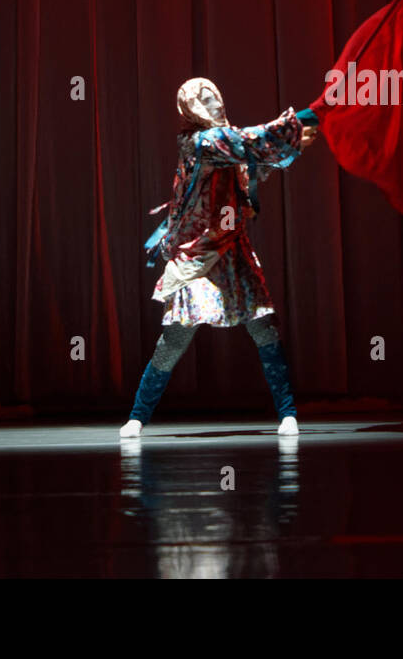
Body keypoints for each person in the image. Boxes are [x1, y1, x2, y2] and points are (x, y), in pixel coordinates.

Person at [120, 77, 320, 438]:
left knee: (263, 327)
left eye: (215, 96)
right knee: (175, 339)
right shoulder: (198, 142)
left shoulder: (225, 144)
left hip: (232, 247)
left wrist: (294, 143)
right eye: (205, 98)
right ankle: (137, 416)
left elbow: (252, 164)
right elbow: (249, 142)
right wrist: (302, 119)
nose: (214, 103)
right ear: (192, 107)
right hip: (197, 254)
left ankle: (288, 413)